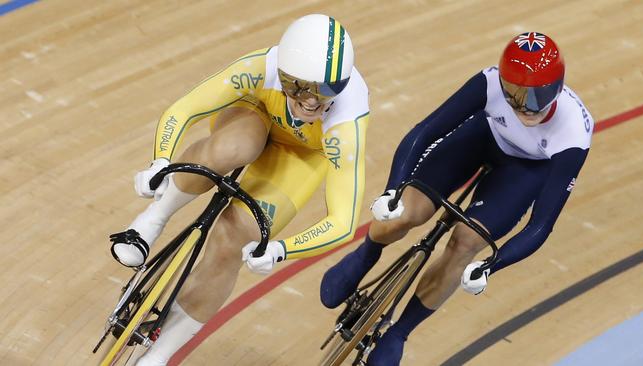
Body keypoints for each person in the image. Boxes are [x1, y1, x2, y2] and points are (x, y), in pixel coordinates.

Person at [109, 14, 369, 365]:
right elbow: (184, 109)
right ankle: (152, 220)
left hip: (303, 156)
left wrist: (281, 249)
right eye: (298, 88)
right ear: (285, 74)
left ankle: (160, 355)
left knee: (235, 239)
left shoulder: (345, 126)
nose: (311, 102)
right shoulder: (264, 67)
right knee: (234, 149)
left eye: (327, 90)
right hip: (254, 114)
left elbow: (343, 221)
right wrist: (160, 162)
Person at [320, 32, 593, 365]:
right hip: (483, 136)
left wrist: (491, 265)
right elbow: (424, 132)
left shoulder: (574, 131)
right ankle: (367, 254)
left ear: (557, 88)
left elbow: (541, 225)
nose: (524, 107)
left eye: (535, 99)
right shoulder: (490, 83)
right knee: (406, 211)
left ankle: (399, 332)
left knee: (465, 244)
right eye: (515, 95)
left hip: (525, 171)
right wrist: (393, 189)